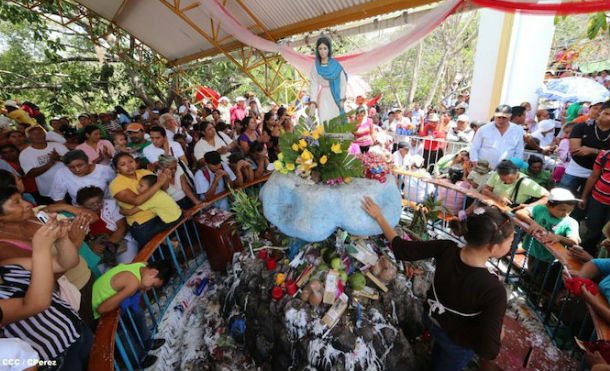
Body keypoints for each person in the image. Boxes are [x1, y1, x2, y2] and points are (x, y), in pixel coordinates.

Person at [362, 199, 513, 371]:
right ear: (493, 248)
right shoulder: (494, 290)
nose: (511, 244)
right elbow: (489, 350)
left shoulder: (446, 248)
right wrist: (498, 333)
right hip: (457, 342)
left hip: (432, 319)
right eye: (510, 241)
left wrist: (379, 216)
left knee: (439, 352)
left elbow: (402, 249)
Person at [0, 215, 94, 371]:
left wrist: (62, 239)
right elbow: (36, 304)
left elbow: (66, 262)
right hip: (54, 360)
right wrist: (41, 247)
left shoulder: (8, 266)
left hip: (77, 332)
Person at [91, 261, 171, 368]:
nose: (148, 289)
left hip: (103, 299)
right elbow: (102, 309)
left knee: (138, 312)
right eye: (152, 285)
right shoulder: (133, 282)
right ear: (153, 272)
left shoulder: (141, 266)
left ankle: (146, 342)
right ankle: (139, 358)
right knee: (122, 332)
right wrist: (131, 293)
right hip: (97, 314)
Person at [516, 188, 580, 283]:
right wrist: (532, 223)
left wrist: (558, 237)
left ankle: (534, 290)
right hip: (533, 249)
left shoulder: (571, 222)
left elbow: (574, 241)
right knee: (531, 268)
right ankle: (526, 282)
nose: (565, 213)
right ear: (548, 205)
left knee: (542, 278)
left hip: (550, 257)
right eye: (562, 210)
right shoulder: (540, 209)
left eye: (570, 210)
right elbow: (520, 212)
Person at [109, 152, 172, 249]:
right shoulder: (116, 184)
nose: (129, 166)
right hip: (143, 223)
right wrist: (158, 184)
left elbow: (163, 188)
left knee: (170, 247)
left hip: (159, 214)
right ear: (117, 169)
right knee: (155, 253)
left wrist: (166, 178)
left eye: (131, 161)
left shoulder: (144, 172)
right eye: (123, 164)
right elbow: (137, 200)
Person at [76, 186, 138, 269]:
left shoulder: (111, 204)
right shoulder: (78, 214)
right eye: (91, 204)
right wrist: (91, 247)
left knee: (127, 266)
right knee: (100, 271)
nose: (96, 205)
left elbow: (122, 228)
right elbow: (79, 239)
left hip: (121, 240)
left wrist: (107, 246)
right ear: (82, 206)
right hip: (95, 245)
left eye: (99, 202)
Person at [560, 100, 610, 201]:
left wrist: (593, 151)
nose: (608, 117)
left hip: (599, 175)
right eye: (606, 113)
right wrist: (602, 153)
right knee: (561, 201)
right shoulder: (581, 126)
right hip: (575, 171)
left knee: (584, 206)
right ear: (600, 112)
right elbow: (575, 150)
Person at [19, 126, 68, 204]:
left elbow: (72, 160)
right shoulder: (25, 154)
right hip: (49, 191)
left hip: (69, 185)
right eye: (34, 134)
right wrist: (50, 163)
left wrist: (60, 158)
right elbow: (30, 173)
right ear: (29, 137)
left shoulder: (58, 145)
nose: (38, 135)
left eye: (40, 133)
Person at [48, 149, 115, 204]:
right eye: (71, 167)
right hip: (81, 211)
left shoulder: (104, 170)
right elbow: (57, 197)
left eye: (80, 165)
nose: (77, 170)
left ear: (87, 162)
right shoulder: (62, 173)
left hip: (107, 207)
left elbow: (117, 189)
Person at [470, 104, 525, 168]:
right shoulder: (484, 129)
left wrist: (515, 166)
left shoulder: (517, 130)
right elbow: (474, 147)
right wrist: (475, 162)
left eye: (504, 118)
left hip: (506, 170)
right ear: (495, 116)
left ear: (510, 117)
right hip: (483, 169)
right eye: (498, 117)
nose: (501, 120)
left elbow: (519, 150)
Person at [309, 37, 347, 125]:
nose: (322, 51)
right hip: (323, 97)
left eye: (325, 48)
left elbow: (343, 83)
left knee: (336, 121)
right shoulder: (315, 66)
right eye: (320, 49)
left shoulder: (336, 65)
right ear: (317, 50)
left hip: (335, 98)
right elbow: (313, 84)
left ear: (329, 49)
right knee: (324, 121)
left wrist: (341, 99)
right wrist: (313, 102)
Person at [482, 159, 549, 209]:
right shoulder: (496, 174)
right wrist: (498, 198)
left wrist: (530, 206)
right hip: (493, 207)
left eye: (511, 179)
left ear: (517, 172)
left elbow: (548, 196)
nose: (507, 182)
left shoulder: (526, 183)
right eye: (503, 180)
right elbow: (485, 190)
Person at [580, 149, 610, 256]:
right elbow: (594, 176)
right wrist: (583, 197)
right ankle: (585, 256)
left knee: (607, 237)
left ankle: (602, 261)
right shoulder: (604, 155)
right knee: (592, 232)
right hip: (598, 200)